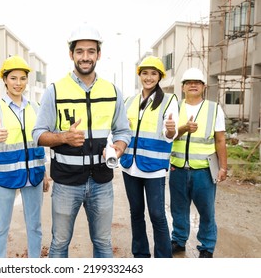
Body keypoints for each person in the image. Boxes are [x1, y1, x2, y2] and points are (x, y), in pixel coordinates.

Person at [32, 23, 131, 258]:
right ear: (71, 54)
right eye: (80, 51)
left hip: (102, 183)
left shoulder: (113, 91)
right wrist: (63, 137)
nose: (85, 57)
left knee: (103, 244)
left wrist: (118, 148)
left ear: (98, 54)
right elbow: (38, 134)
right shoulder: (55, 91)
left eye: (90, 51)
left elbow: (123, 132)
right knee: (59, 244)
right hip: (66, 184)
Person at [0, 55, 49, 258]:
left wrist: (44, 171)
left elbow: (40, 142)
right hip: (4, 176)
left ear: (27, 81)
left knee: (35, 226)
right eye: (13, 78)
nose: (18, 83)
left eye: (22, 78)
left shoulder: (35, 108)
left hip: (33, 175)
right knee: (1, 228)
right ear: (5, 80)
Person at [120, 56, 178, 258]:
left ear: (160, 76)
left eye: (154, 73)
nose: (148, 77)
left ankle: (163, 258)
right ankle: (140, 256)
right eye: (145, 73)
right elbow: (122, 132)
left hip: (154, 168)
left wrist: (171, 130)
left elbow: (170, 134)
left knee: (157, 215)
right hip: (130, 166)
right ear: (139, 75)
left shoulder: (169, 100)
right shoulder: (129, 101)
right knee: (136, 214)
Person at [169, 67, 227, 258]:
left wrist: (223, 167)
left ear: (204, 86)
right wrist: (184, 128)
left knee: (206, 211)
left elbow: (220, 140)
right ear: (183, 87)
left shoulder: (214, 108)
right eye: (188, 82)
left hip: (203, 170)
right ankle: (178, 240)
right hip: (177, 168)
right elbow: (167, 136)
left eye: (197, 82)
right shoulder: (174, 107)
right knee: (178, 208)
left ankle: (207, 247)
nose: (193, 85)